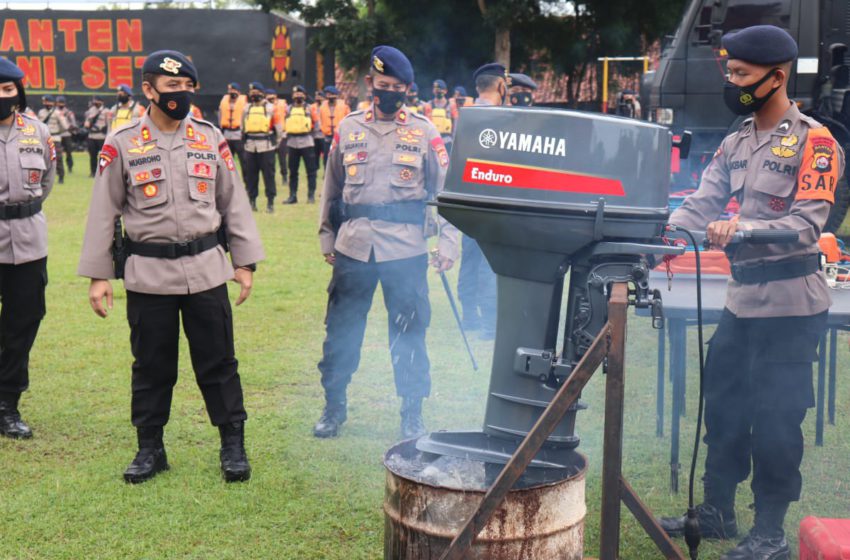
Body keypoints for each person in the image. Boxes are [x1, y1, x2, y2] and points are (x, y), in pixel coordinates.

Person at [658, 26, 843, 560]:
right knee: (724, 408)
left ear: (776, 77)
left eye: (740, 74)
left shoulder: (817, 142)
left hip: (791, 306)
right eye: (730, 72)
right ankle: (718, 510)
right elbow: (701, 203)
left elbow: (809, 225)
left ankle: (770, 531)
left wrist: (740, 230)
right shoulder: (736, 140)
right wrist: (660, 235)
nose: (731, 82)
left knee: (777, 420)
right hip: (741, 302)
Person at [78, 50, 265, 484]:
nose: (180, 95)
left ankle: (232, 446)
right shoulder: (121, 141)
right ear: (149, 89)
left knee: (219, 362)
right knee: (151, 365)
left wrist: (245, 261)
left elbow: (232, 201)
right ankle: (150, 449)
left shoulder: (208, 136)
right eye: (171, 87)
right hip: (148, 275)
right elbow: (102, 211)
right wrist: (98, 275)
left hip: (205, 270)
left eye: (186, 87)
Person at [315, 45, 458, 440]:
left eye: (398, 87)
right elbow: (332, 188)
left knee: (409, 332)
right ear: (370, 84)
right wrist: (327, 235)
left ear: (408, 89)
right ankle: (334, 406)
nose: (390, 92)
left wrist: (447, 244)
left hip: (405, 249)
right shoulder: (347, 129)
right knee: (342, 331)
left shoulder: (425, 132)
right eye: (383, 85)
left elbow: (445, 194)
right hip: (354, 247)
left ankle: (412, 413)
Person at [0, 59, 56, 440]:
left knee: (22, 324)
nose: (3, 97)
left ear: (19, 91)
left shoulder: (37, 131)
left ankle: (7, 404)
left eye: (8, 90)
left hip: (28, 241)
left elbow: (47, 179)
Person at [455, 63, 508, 341]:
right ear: (501, 86)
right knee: (489, 264)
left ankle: (469, 318)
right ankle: (490, 325)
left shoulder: (464, 116)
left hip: (467, 202)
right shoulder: (503, 118)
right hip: (493, 203)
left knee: (470, 261)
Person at [242, 82, 280, 213]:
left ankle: (270, 202)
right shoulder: (246, 108)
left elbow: (278, 128)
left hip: (266, 146)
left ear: (262, 93)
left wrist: (276, 144)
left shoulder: (271, 108)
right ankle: (252, 201)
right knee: (251, 176)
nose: (254, 94)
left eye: (256, 92)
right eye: (251, 92)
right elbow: (243, 126)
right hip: (250, 146)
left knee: (269, 175)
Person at [283, 85, 318, 204]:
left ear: (305, 95)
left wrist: (312, 137)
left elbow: (317, 124)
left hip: (307, 141)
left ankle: (311, 195)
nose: (298, 96)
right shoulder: (288, 109)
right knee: (292, 171)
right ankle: (292, 196)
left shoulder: (310, 108)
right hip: (292, 143)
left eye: (300, 93)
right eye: (296, 94)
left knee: (311, 171)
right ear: (292, 96)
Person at [38, 94, 68, 184]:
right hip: (44, 139)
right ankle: (43, 177)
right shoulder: (41, 112)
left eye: (47, 101)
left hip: (55, 138)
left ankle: (61, 176)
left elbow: (64, 126)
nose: (45, 103)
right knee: (42, 158)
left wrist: (57, 132)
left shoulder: (57, 112)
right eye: (44, 101)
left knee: (58, 158)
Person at [218, 82, 247, 176]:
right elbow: (220, 115)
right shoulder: (224, 101)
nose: (231, 92)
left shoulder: (244, 102)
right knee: (226, 161)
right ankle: (227, 181)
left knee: (244, 161)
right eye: (230, 90)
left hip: (238, 134)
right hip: (226, 134)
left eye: (233, 90)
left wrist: (244, 131)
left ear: (238, 91)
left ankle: (247, 184)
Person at [318, 85, 350, 169]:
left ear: (336, 95)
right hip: (327, 137)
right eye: (327, 94)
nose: (329, 96)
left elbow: (349, 120)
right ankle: (327, 176)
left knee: (341, 158)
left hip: (340, 136)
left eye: (331, 94)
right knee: (326, 159)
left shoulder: (344, 106)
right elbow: (320, 120)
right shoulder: (322, 107)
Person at [266, 88, 289, 187]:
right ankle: (271, 178)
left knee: (282, 158)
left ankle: (284, 177)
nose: (270, 97)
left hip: (282, 133)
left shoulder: (283, 105)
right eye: (268, 95)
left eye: (272, 95)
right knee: (270, 159)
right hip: (270, 134)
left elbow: (288, 116)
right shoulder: (264, 106)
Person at [424, 79, 455, 152]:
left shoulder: (451, 106)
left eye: (441, 88)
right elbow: (426, 124)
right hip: (432, 139)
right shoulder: (428, 105)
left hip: (447, 140)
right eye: (436, 88)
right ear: (433, 90)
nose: (438, 90)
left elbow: (456, 124)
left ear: (445, 91)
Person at [84, 95, 109, 177]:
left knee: (103, 156)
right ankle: (93, 172)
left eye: (98, 101)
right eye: (95, 101)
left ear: (102, 102)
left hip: (102, 136)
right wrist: (88, 124)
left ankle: (103, 171)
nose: (96, 103)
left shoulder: (106, 111)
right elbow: (87, 123)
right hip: (92, 136)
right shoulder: (90, 111)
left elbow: (108, 124)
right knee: (92, 155)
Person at [55, 95, 76, 174]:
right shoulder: (53, 112)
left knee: (69, 153)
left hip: (66, 135)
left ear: (64, 103)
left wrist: (71, 128)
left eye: (62, 102)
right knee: (56, 154)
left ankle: (70, 167)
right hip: (57, 135)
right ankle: (58, 169)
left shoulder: (69, 113)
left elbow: (73, 123)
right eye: (59, 102)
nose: (60, 104)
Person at [311, 90, 325, 169]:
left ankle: (326, 170)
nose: (318, 98)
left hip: (324, 135)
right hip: (315, 134)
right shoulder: (312, 107)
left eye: (319, 96)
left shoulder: (326, 107)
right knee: (315, 155)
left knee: (325, 155)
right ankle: (315, 170)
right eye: (316, 96)